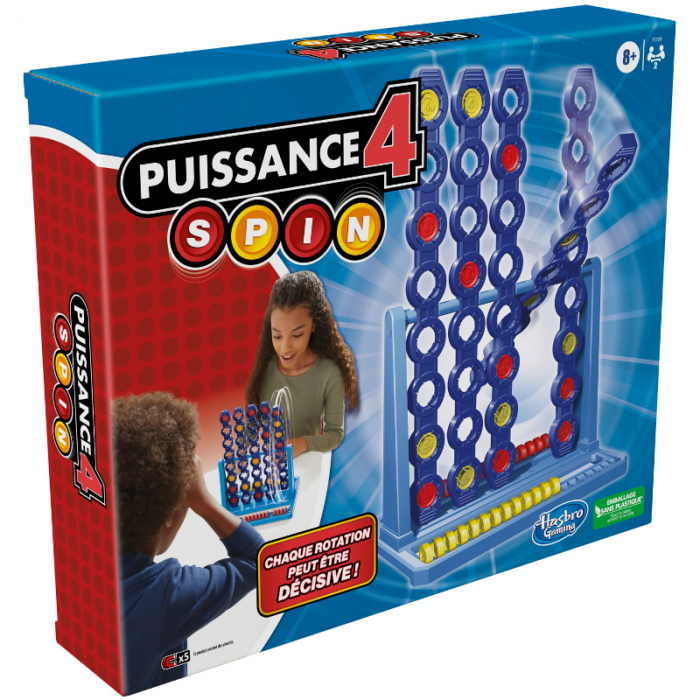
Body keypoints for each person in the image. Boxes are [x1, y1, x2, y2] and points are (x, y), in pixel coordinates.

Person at [113, 392, 264, 695]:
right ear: (170, 516)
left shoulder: (83, 562)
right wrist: (204, 501)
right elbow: (258, 560)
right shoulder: (162, 593)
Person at [245, 271, 359, 457]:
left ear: (314, 325)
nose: (284, 348)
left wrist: (302, 443)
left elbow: (335, 434)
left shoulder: (329, 373)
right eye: (277, 336)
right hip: (270, 466)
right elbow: (251, 427)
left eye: (297, 335)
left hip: (309, 465)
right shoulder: (264, 369)